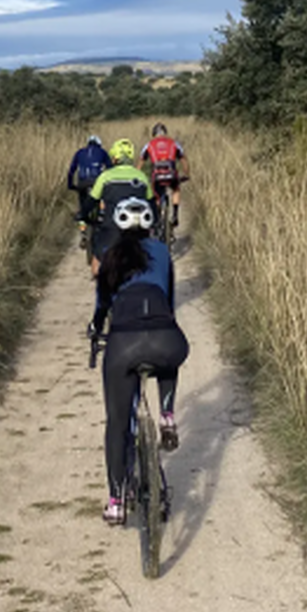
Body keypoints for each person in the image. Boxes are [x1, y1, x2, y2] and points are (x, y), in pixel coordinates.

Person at [90, 197, 188, 525]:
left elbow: (102, 305)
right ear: (149, 224)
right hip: (165, 338)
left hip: (123, 344)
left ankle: (116, 500)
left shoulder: (109, 257)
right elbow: (171, 300)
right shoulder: (161, 251)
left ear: (118, 225)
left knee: (117, 425)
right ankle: (167, 415)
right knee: (167, 352)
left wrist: (95, 329)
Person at [84, 138, 153, 276]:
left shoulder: (105, 177)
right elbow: (151, 202)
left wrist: (82, 214)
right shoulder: (141, 177)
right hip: (138, 230)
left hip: (111, 228)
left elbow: (92, 201)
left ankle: (101, 289)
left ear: (114, 159)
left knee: (96, 266)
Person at [66, 135, 112, 246]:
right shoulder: (102, 152)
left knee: (83, 208)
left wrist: (71, 185)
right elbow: (110, 168)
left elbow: (71, 170)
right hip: (97, 182)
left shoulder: (79, 153)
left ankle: (83, 232)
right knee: (102, 198)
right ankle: (102, 215)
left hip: (83, 183)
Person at [140, 122, 188, 229]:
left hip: (156, 175)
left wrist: (138, 175)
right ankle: (175, 214)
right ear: (165, 133)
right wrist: (186, 173)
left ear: (154, 134)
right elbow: (183, 159)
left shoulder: (149, 144)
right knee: (176, 189)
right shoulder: (174, 143)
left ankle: (157, 218)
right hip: (171, 174)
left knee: (156, 195)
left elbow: (141, 161)